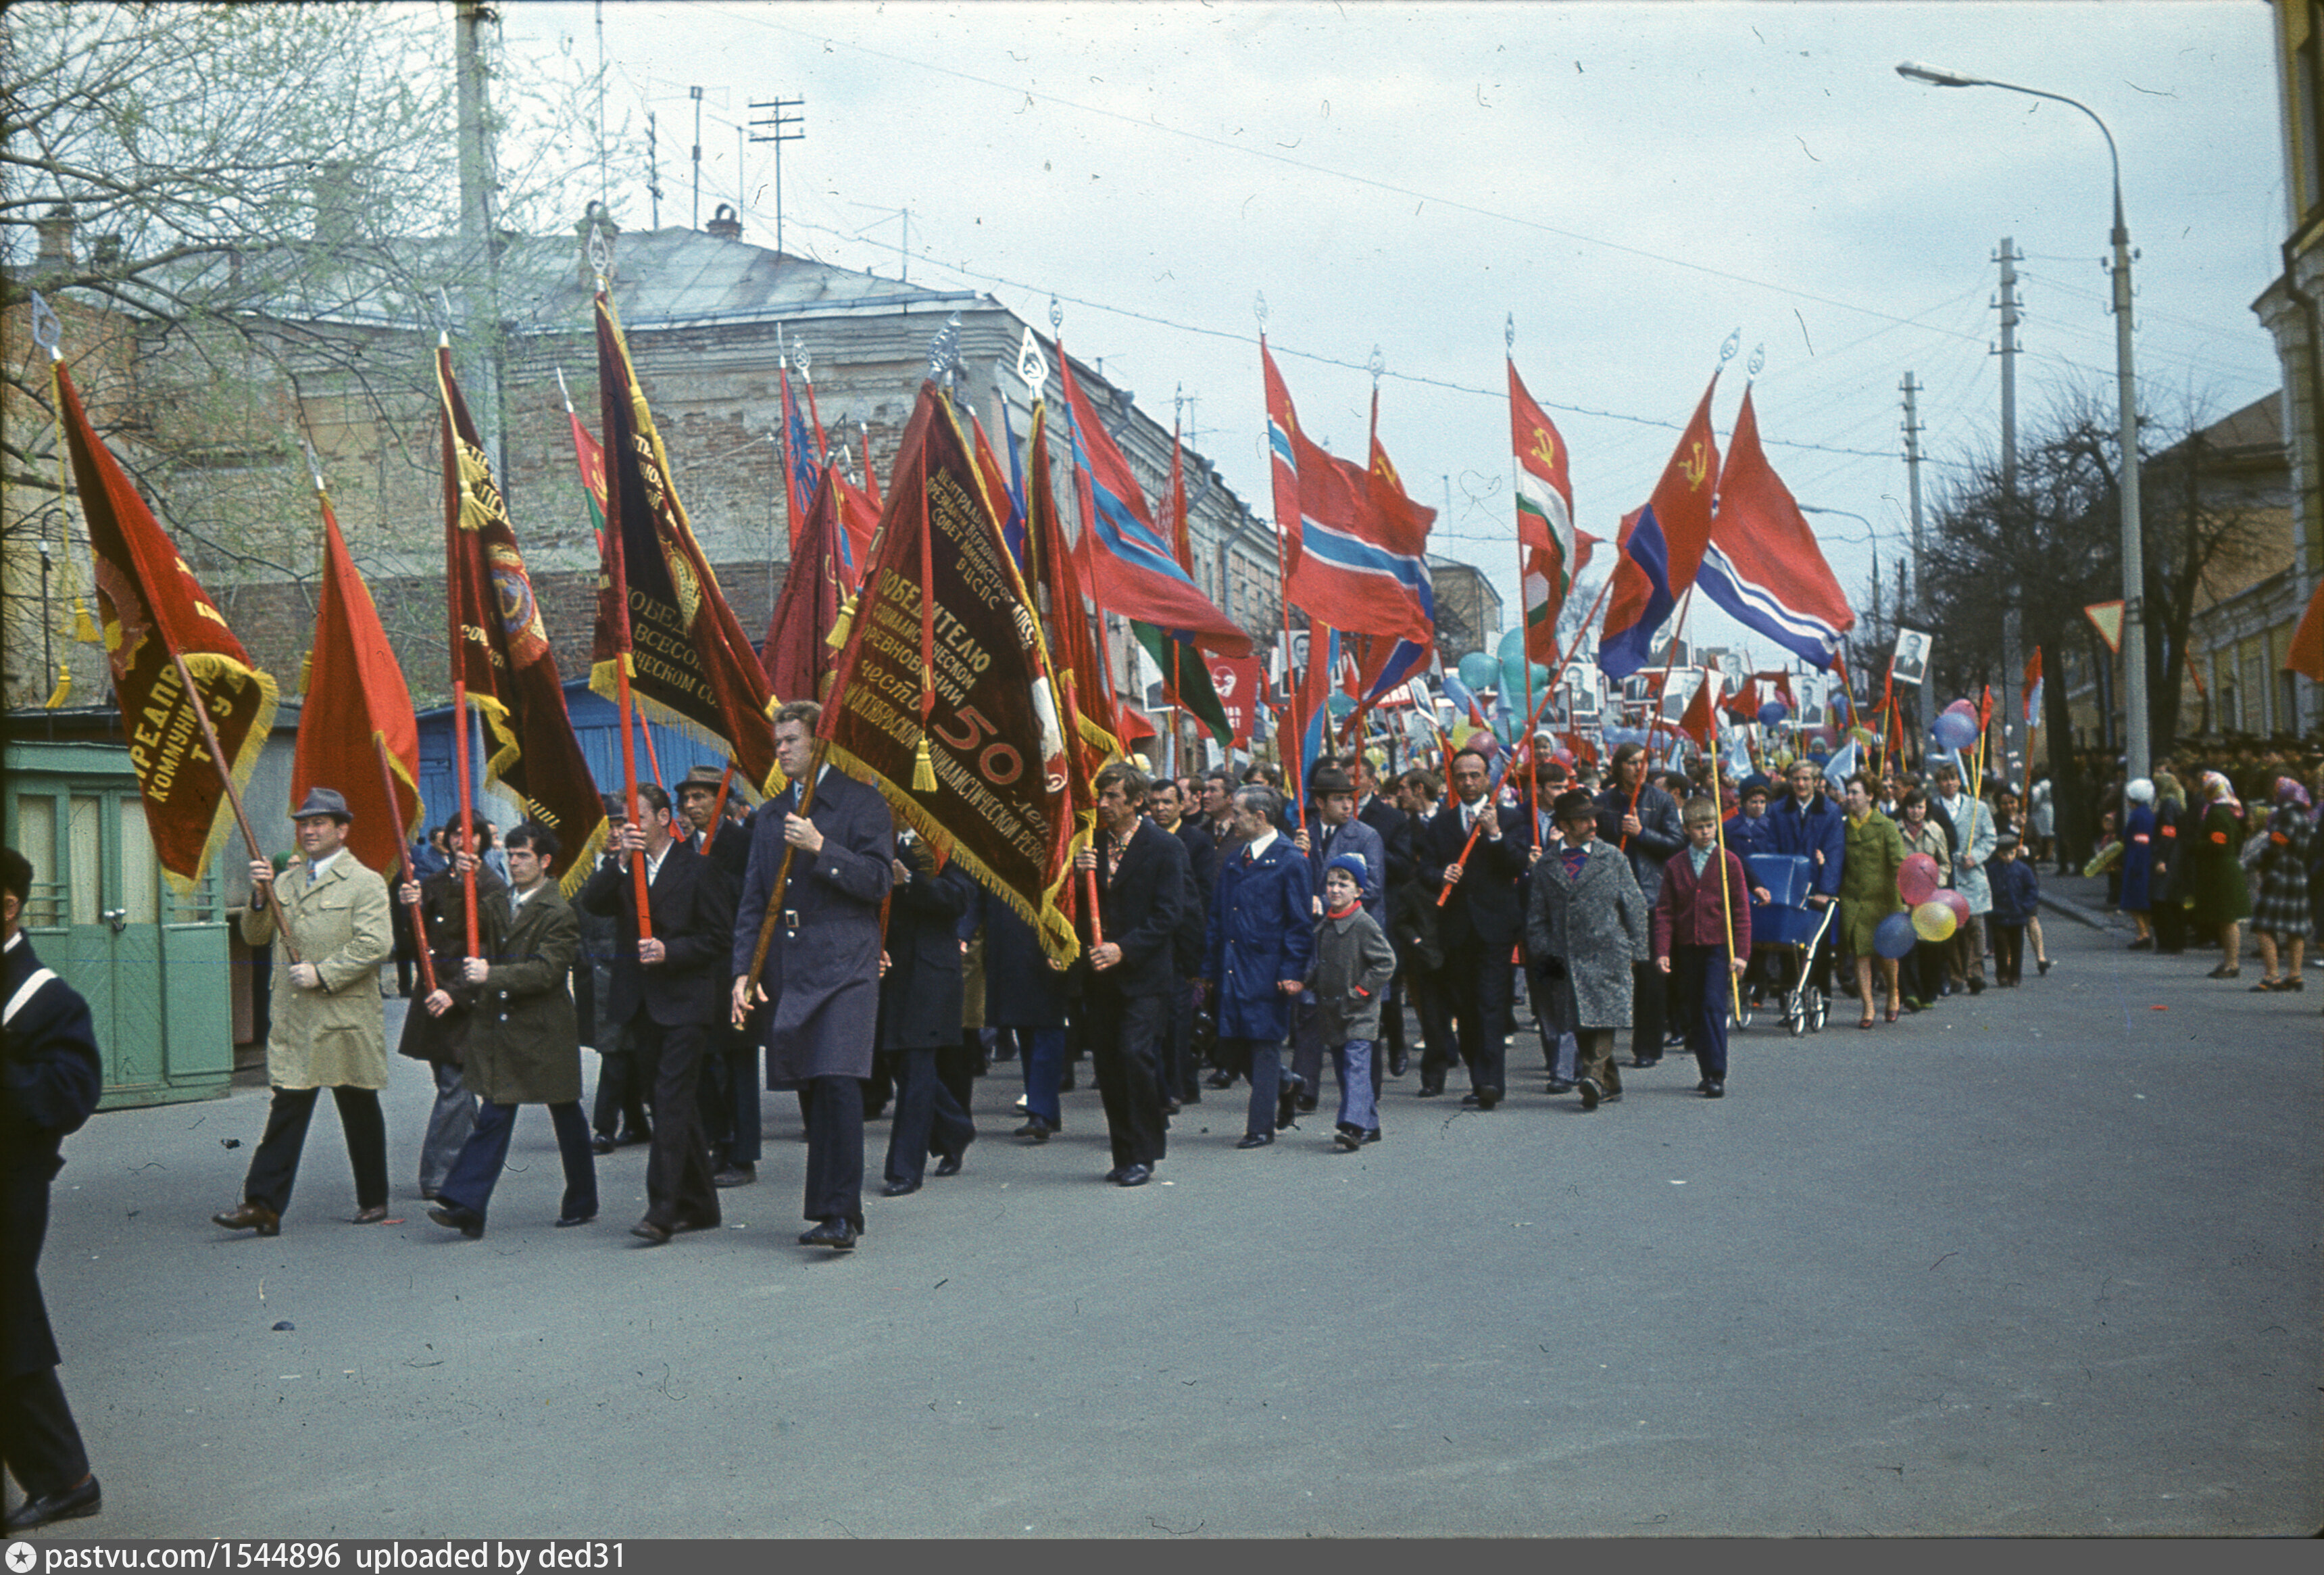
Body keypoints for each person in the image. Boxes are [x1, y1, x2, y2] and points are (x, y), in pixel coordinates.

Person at [731, 702, 893, 1251]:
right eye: (777, 741)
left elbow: (876, 881)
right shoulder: (770, 814)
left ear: (819, 742)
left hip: (846, 959)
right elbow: (753, 899)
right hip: (792, 964)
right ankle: (825, 1206)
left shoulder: (860, 803)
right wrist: (743, 972)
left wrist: (822, 848)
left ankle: (841, 1213)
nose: (780, 750)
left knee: (839, 1081)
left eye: (791, 740)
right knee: (813, 1087)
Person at [213, 788, 394, 1236]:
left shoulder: (365, 882)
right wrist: (259, 895)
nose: (309, 831)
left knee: (358, 1106)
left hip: (343, 1015)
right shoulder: (286, 881)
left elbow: (375, 945)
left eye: (319, 824)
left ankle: (373, 1198)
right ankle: (263, 1204)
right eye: (304, 824)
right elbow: (256, 936)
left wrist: (325, 973)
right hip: (296, 1016)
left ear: (342, 830)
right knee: (288, 1108)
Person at [425, 823, 598, 1237]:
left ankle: (582, 1198)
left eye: (523, 856)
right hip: (504, 1028)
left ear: (545, 862)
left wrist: (491, 975)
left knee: (567, 1115)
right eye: (511, 855)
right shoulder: (500, 900)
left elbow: (548, 971)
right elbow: (461, 926)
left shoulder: (559, 911)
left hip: (544, 1029)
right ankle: (467, 1204)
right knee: (496, 1114)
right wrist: (458, 878)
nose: (515, 863)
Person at [1, 846, 104, 1532]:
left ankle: (68, 1477)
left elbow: (68, 1095)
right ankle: (63, 1475)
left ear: (7, 906)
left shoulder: (48, 997)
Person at [580, 782, 728, 1246]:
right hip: (641, 1002)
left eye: (639, 818)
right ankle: (701, 1205)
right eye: (625, 822)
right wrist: (621, 860)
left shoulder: (699, 869)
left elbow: (717, 938)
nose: (631, 828)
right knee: (671, 1103)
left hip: (685, 1001)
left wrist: (671, 950)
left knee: (668, 1101)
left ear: (664, 819)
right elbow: (593, 902)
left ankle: (662, 1209)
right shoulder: (628, 869)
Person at [1073, 762, 1188, 1187]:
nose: (1103, 804)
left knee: (1134, 1055)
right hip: (1102, 976)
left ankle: (1144, 1151)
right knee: (1108, 1064)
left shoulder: (1163, 847)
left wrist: (1126, 947)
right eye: (1100, 796)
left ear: (1137, 800)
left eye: (1113, 797)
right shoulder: (1091, 846)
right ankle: (1123, 1151)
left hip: (1144, 975)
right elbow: (1080, 908)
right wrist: (1078, 874)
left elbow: (1170, 913)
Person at [395, 816, 501, 1201]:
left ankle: (438, 1174)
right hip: (433, 994)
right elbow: (417, 942)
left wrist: (455, 993)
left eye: (471, 834)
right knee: (452, 1083)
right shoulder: (435, 882)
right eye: (457, 833)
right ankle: (475, 1160)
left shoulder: (491, 885)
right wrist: (413, 909)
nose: (463, 840)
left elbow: (491, 950)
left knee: (456, 1084)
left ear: (484, 840)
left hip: (466, 998)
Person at [1202, 784, 1314, 1148]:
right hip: (1232, 968)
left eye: (1238, 813)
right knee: (1231, 1046)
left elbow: (1299, 924)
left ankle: (1260, 1127)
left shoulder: (1290, 860)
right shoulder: (1236, 859)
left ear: (1260, 817)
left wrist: (1293, 972)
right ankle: (1285, 1083)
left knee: (1264, 1045)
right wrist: (1207, 969)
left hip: (1267, 970)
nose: (1232, 819)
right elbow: (1217, 919)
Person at [1525, 790, 1650, 1113]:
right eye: (1584, 819)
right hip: (1563, 955)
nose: (1593, 824)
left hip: (1609, 949)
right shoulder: (1546, 865)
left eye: (1594, 817)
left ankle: (1592, 1076)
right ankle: (1609, 1083)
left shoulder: (1612, 858)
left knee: (1604, 1015)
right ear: (1565, 825)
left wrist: (1638, 950)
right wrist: (1543, 952)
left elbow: (1634, 904)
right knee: (1577, 1019)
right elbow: (1536, 917)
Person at [876, 828, 976, 1195]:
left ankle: (904, 1169)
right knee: (897, 1063)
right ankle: (955, 1128)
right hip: (887, 968)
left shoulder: (946, 840)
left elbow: (959, 899)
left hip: (930, 971)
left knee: (917, 1067)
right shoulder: (878, 833)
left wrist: (911, 881)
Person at [674, 765, 756, 1190]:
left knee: (738, 1064)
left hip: (735, 965)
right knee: (706, 1061)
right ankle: (717, 1141)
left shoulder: (744, 842)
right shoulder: (684, 848)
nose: (691, 807)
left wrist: (709, 879)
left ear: (720, 802)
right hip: (699, 967)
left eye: (700, 798)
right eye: (686, 799)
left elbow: (752, 896)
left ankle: (743, 1154)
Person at [1288, 764, 1385, 1111]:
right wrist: (1295, 853)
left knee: (1356, 1018)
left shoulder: (1366, 836)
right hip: (1314, 938)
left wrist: (1329, 899)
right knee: (1310, 1015)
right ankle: (1305, 1088)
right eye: (1340, 799)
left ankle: (1366, 1095)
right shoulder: (1304, 833)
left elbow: (1372, 887)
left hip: (1351, 937)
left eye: (1350, 799)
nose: (1348, 806)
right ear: (1319, 802)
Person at [1652, 798, 1753, 1098]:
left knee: (1712, 1004)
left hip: (1719, 947)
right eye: (1699, 828)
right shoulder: (1676, 864)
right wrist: (1662, 950)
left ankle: (1716, 1073)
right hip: (1687, 947)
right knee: (1694, 1009)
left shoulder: (1729, 862)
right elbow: (1665, 911)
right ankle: (1705, 1068)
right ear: (1686, 830)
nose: (1706, 832)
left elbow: (1741, 911)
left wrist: (1742, 954)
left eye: (1710, 826)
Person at [1594, 742, 1686, 1069]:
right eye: (1632, 762)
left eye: (1644, 761)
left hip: (1648, 897)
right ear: (1618, 766)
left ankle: (1647, 1046)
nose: (1639, 768)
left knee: (1650, 976)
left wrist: (1642, 833)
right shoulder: (1603, 802)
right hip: (1610, 896)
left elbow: (1677, 844)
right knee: (1608, 974)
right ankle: (1600, 1048)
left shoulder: (1660, 801)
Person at [1304, 854, 1398, 1149]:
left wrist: (1361, 992)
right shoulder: (1327, 925)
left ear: (1359, 891)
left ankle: (1352, 1126)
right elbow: (1324, 966)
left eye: (1343, 884)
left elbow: (1386, 962)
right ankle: (1370, 1124)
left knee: (1356, 1067)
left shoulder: (1363, 923)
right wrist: (1305, 982)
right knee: (1346, 1068)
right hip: (1334, 1011)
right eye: (1330, 883)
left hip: (1360, 1011)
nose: (1335, 890)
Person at [1148, 777, 1216, 1109]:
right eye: (1155, 802)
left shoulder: (1197, 841)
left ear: (1181, 805)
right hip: (1152, 943)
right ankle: (1170, 1082)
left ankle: (1178, 1085)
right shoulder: (1145, 840)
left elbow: (1202, 895)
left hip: (1182, 944)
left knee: (1179, 1020)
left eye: (1167, 802)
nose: (1160, 808)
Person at [1766, 757, 1845, 1009]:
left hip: (1815, 886)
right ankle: (1788, 1001)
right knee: (1787, 944)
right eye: (1796, 779)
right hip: (1788, 886)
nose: (1801, 784)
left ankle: (1820, 996)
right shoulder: (1778, 810)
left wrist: (1826, 890)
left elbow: (1835, 852)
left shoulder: (1830, 811)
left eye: (1806, 779)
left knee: (1816, 945)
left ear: (1816, 782)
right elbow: (1771, 847)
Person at [1837, 773, 1908, 1027]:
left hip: (1883, 900)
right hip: (1853, 900)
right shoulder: (1843, 826)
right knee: (1861, 955)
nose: (1851, 797)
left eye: (1856, 792)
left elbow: (1899, 862)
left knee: (1886, 954)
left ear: (1870, 796)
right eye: (1849, 792)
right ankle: (1868, 1006)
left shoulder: (1886, 826)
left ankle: (1893, 993)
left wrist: (1907, 894)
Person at [1929, 758, 1996, 994]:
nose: (1949, 784)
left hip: (1971, 872)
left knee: (1975, 925)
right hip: (1948, 873)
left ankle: (1975, 972)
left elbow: (1990, 837)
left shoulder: (1978, 808)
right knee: (1953, 926)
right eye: (1944, 780)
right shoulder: (1933, 808)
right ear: (1938, 784)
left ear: (1960, 781)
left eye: (1953, 779)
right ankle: (1956, 973)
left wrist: (1975, 856)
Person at [2248, 777, 2313, 992]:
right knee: (2296, 929)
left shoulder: (2285, 815)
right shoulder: (2306, 816)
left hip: (2280, 874)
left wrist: (2257, 863)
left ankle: (2272, 975)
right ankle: (2295, 975)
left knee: (2263, 925)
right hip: (2299, 873)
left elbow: (2277, 843)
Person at [1895, 789, 1953, 1011]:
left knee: (1930, 946)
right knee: (1906, 945)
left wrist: (1938, 883)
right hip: (1904, 896)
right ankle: (1910, 993)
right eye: (1911, 807)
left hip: (1930, 897)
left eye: (1920, 807)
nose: (1916, 812)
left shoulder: (1935, 830)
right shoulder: (1895, 830)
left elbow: (1945, 863)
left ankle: (1929, 992)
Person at [2190, 770, 2251, 979]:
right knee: (2224, 920)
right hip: (2222, 869)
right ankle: (2228, 961)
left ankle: (2232, 963)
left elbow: (2218, 843)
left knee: (2227, 919)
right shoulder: (2228, 809)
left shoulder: (2218, 813)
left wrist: (2196, 845)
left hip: (2222, 871)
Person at [1986, 834, 2040, 988]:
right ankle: (2002, 973)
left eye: (2011, 853)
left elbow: (2032, 889)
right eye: (2004, 854)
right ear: (1998, 854)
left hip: (2017, 915)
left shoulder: (2023, 869)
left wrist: (2025, 907)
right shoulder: (1992, 870)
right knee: (2001, 947)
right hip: (1999, 915)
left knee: (2017, 948)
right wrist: (1991, 910)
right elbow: (1987, 890)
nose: (2008, 857)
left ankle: (2015, 975)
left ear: (2016, 852)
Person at [2119, 779, 2159, 950]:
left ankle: (2143, 933)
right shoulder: (2148, 813)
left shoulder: (2138, 816)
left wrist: (2133, 863)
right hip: (2146, 859)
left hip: (2138, 860)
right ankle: (2145, 932)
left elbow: (2139, 840)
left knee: (2132, 900)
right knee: (2144, 901)